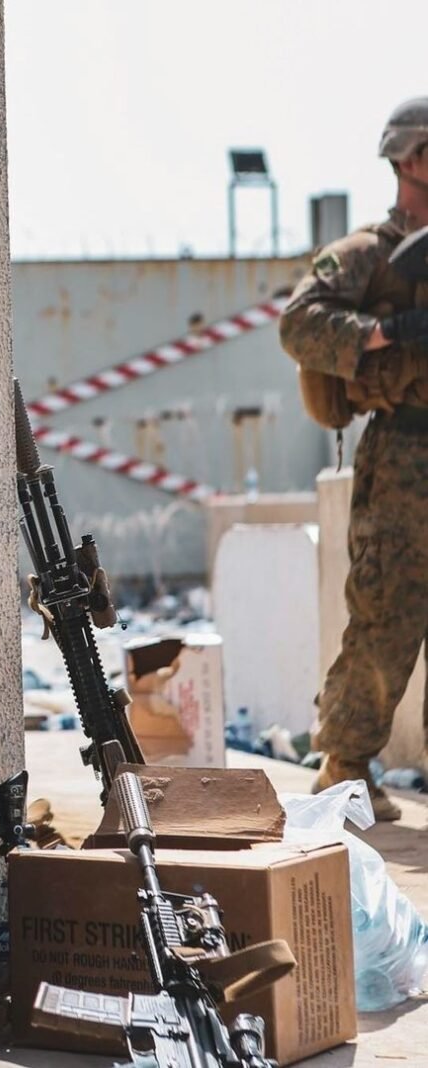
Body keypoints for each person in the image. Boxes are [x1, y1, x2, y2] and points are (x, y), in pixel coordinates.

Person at [280, 97, 428, 822]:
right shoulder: (371, 251)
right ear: (413, 158)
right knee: (386, 615)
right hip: (405, 454)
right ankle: (345, 767)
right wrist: (387, 331)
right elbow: (299, 323)